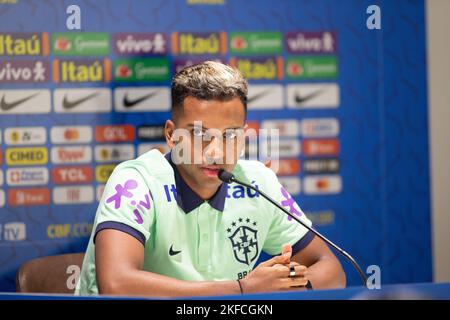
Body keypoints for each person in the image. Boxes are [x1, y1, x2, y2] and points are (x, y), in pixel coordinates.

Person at [75, 61, 346, 297]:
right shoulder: (138, 181)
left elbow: (331, 269)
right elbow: (117, 284)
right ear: (171, 135)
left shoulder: (258, 183)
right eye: (199, 134)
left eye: (230, 135)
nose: (216, 152)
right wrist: (242, 290)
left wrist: (288, 286)